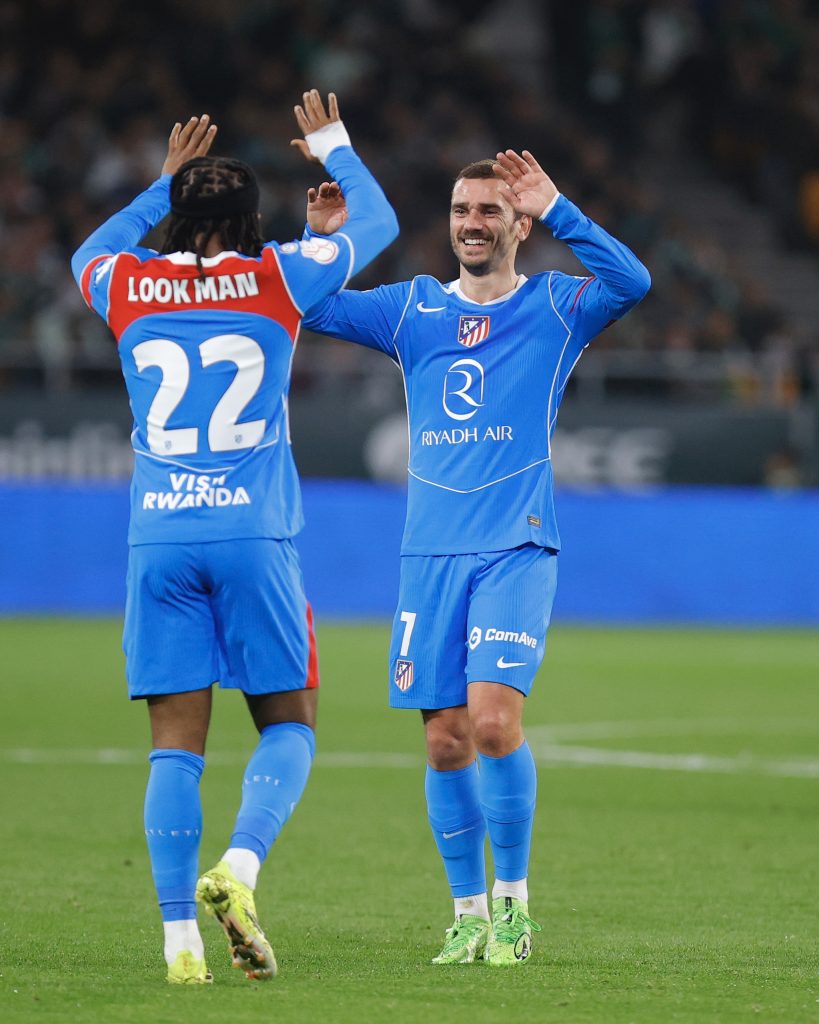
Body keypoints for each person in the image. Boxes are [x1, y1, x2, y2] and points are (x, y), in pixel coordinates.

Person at [70, 92, 398, 985]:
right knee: (289, 723)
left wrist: (159, 186)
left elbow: (87, 253)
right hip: (254, 536)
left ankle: (179, 946)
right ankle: (240, 866)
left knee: (175, 746)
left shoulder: (128, 283)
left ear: (176, 215)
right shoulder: (281, 276)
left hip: (160, 539)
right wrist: (332, 148)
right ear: (253, 222)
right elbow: (380, 219)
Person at [301, 149, 650, 966]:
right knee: (444, 743)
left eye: (490, 211)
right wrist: (317, 242)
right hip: (429, 553)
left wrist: (562, 207)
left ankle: (514, 908)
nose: (471, 223)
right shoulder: (409, 310)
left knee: (493, 725)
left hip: (515, 545)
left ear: (518, 224)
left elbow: (631, 284)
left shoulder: (557, 305)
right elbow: (308, 311)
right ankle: (464, 915)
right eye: (461, 210)